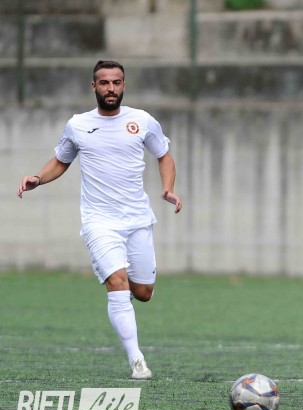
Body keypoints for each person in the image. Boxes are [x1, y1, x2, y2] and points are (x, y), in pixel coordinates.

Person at [17, 60, 182, 380]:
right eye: (104, 83)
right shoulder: (78, 124)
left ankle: (124, 289)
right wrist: (38, 178)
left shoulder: (142, 120)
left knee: (143, 292)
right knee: (117, 283)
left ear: (124, 85)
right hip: (99, 222)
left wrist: (168, 188)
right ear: (94, 86)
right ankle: (137, 361)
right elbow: (61, 160)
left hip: (137, 219)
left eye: (116, 82)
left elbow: (163, 155)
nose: (111, 88)